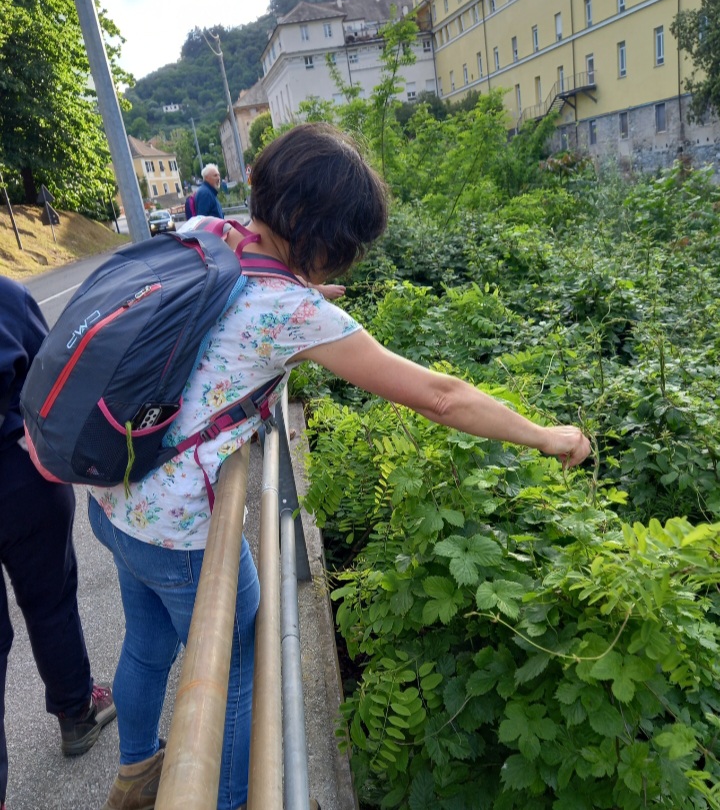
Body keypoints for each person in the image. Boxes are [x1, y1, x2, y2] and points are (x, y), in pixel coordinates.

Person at [88, 123, 590, 810]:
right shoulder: (288, 309)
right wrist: (545, 436)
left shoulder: (212, 234)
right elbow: (441, 397)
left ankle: (135, 771)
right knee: (237, 671)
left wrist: (303, 301)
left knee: (146, 643)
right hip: (179, 530)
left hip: (114, 490)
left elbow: (228, 316)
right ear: (319, 231)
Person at [0, 276, 116, 810]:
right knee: (50, 599)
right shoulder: (5, 296)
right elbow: (51, 374)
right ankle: (76, 711)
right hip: (17, 472)